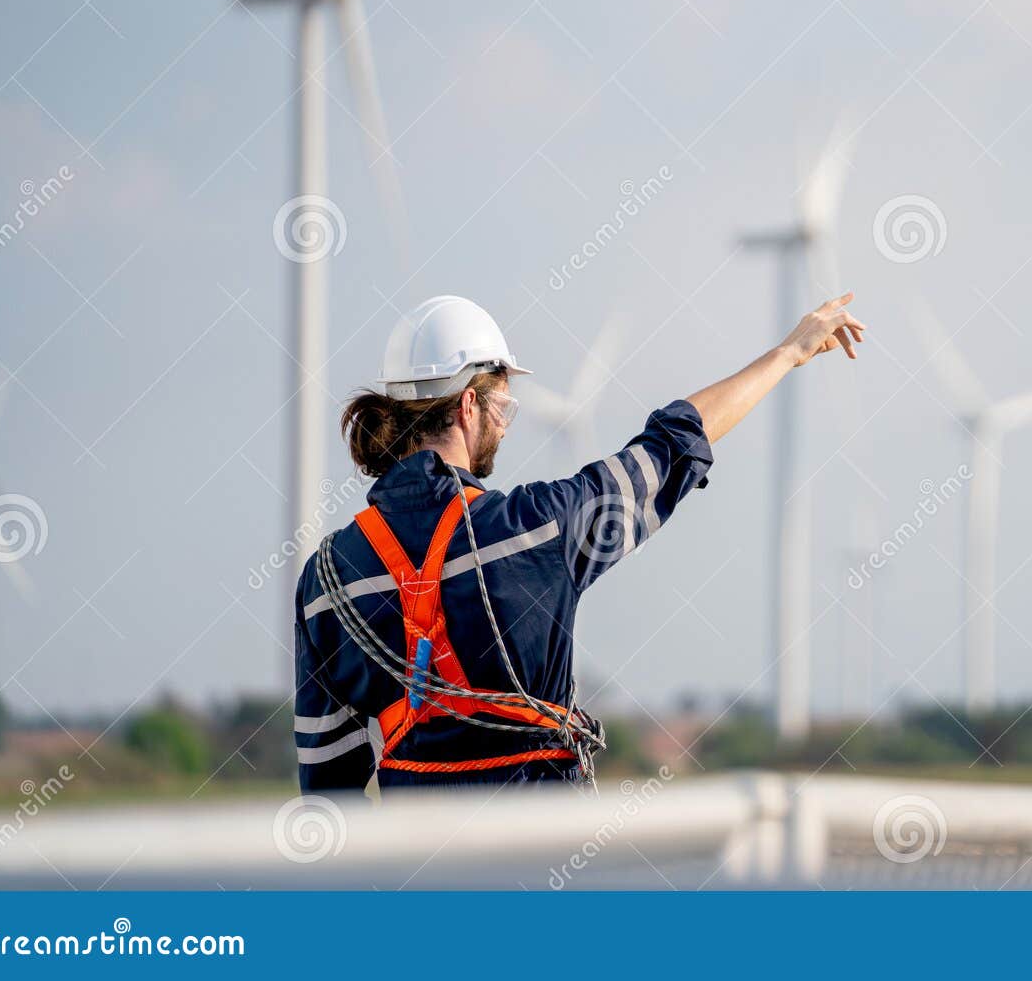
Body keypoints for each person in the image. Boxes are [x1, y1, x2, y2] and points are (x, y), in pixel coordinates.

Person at [293, 291, 866, 792]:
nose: (504, 422)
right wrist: (788, 354)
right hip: (542, 866)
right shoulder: (538, 528)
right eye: (502, 405)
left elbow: (328, 785)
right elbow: (670, 449)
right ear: (469, 404)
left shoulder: (325, 581)